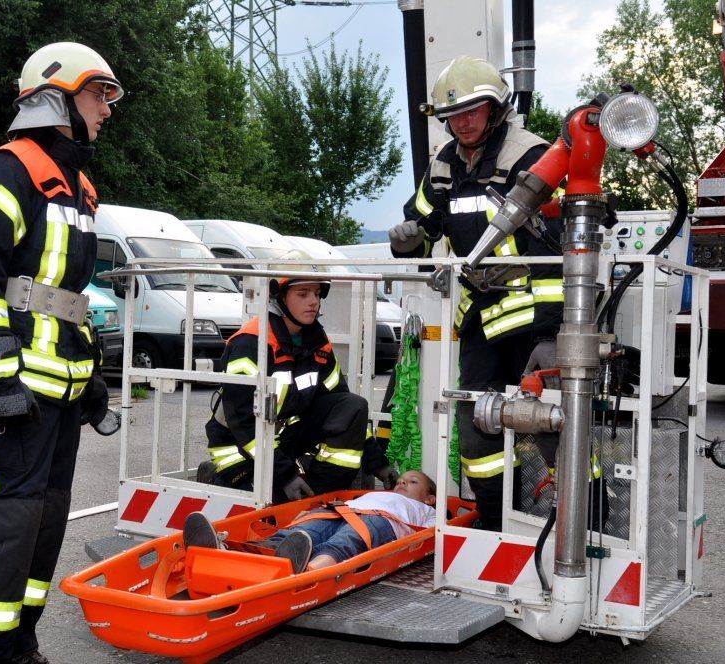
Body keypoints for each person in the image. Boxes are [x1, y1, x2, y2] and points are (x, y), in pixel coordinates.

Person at [0, 42, 123, 664]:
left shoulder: (79, 187)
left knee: (45, 524)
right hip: (15, 391)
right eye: (97, 95)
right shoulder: (10, 170)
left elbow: (63, 296)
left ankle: (19, 645)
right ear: (55, 97)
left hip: (59, 392)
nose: (106, 109)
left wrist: (89, 373)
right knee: (7, 527)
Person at [387, 56, 564, 531]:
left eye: (471, 110)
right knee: (478, 426)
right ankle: (493, 522)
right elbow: (423, 228)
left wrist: (551, 336)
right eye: (452, 115)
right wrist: (406, 242)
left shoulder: (531, 156)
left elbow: (557, 252)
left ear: (496, 107)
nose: (461, 122)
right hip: (480, 320)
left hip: (534, 321)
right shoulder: (443, 165)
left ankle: (586, 521)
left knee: (553, 425)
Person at [201, 263, 398, 502]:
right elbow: (243, 422)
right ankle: (218, 477)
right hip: (240, 448)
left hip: (283, 443)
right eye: (303, 294)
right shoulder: (251, 344)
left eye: (317, 294)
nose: (313, 301)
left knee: (353, 405)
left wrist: (378, 464)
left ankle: (318, 496)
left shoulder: (317, 342)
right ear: (279, 296)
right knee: (271, 501)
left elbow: (344, 410)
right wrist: (285, 475)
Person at [184, 470, 437, 573]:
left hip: (382, 522)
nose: (403, 482)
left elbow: (436, 534)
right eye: (401, 479)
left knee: (346, 541)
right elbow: (342, 502)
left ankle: (310, 572)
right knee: (299, 534)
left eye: (413, 482)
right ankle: (226, 552)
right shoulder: (376, 494)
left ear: (430, 498)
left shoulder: (427, 511)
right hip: (339, 512)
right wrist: (309, 513)